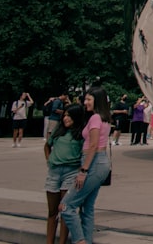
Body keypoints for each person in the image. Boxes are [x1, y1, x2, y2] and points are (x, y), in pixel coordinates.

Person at [58, 86, 112, 244]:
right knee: (87, 208)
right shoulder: (105, 117)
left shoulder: (95, 118)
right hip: (101, 163)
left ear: (97, 100)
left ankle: (80, 241)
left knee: (66, 206)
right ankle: (86, 240)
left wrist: (83, 171)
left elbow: (93, 145)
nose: (85, 102)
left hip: (93, 163)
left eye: (89, 99)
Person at [44, 103, 84, 244]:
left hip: (71, 172)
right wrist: (49, 160)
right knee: (52, 211)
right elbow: (47, 146)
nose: (66, 118)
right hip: (54, 172)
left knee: (65, 210)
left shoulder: (80, 134)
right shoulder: (58, 130)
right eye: (65, 115)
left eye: (69, 116)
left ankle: (62, 242)